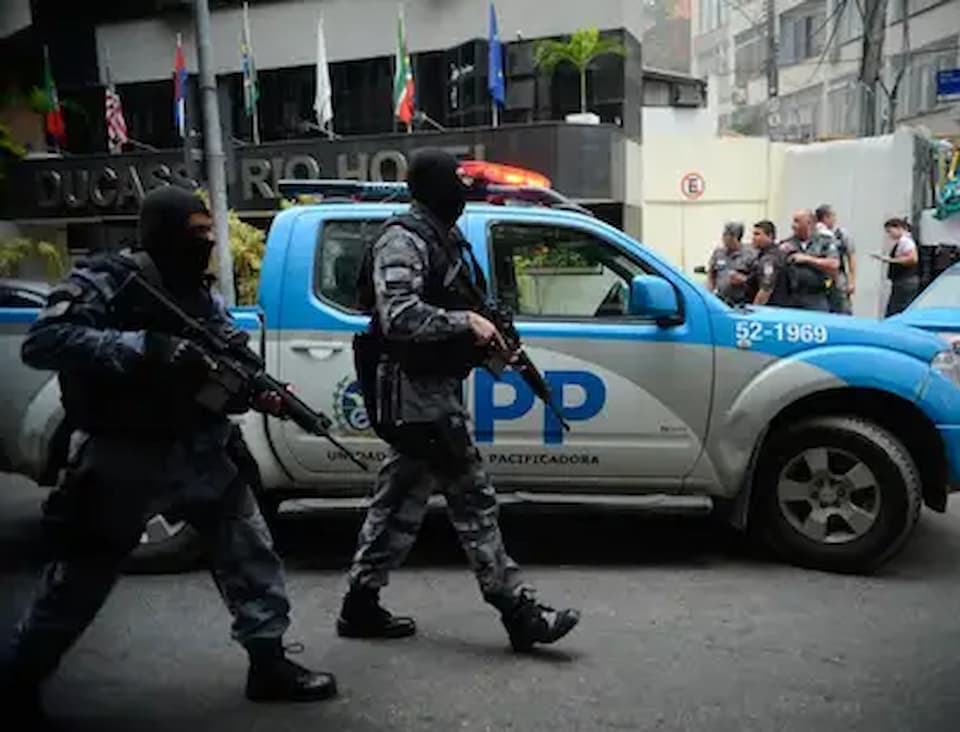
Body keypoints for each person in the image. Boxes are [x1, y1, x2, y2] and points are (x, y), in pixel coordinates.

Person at [0, 186, 338, 723]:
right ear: (160, 233)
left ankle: (269, 662)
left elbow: (228, 351)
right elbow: (45, 341)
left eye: (209, 235)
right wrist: (145, 349)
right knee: (81, 578)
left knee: (249, 553)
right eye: (194, 234)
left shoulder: (200, 295)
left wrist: (258, 390)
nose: (204, 244)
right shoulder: (108, 278)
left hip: (201, 449)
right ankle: (20, 680)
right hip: (123, 455)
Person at [336, 148, 580, 652]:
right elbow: (399, 315)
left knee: (399, 497)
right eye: (454, 184)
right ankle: (518, 611)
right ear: (430, 188)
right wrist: (465, 323)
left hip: (432, 387)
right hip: (414, 393)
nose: (462, 195)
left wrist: (488, 334)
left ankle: (360, 604)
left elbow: (460, 300)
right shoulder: (402, 240)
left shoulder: (445, 238)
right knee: (472, 496)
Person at [781, 209, 840, 311]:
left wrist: (807, 259)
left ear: (809, 223)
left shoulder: (825, 241)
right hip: (791, 297)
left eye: (797, 221)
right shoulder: (787, 244)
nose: (793, 225)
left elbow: (834, 264)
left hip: (815, 296)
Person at [815, 204, 856, 314]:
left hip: (838, 277)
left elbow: (851, 256)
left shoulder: (841, 234)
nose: (834, 219)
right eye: (833, 216)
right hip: (819, 277)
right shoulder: (815, 234)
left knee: (842, 308)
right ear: (826, 217)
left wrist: (852, 281)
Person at [876, 217, 920, 316]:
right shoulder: (902, 242)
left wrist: (890, 260)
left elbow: (913, 258)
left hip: (905, 281)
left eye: (890, 231)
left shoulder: (906, 241)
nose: (889, 235)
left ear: (898, 228)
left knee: (897, 309)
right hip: (901, 281)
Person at [706, 221, 757, 306]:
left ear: (736, 237)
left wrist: (743, 280)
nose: (724, 238)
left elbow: (757, 280)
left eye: (728, 236)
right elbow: (711, 274)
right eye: (724, 235)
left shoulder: (750, 254)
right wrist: (709, 294)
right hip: (721, 301)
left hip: (741, 302)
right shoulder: (718, 253)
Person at [747, 220, 792, 307]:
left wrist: (754, 311)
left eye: (757, 234)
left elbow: (766, 288)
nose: (753, 238)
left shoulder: (770, 258)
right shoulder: (763, 255)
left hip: (771, 308)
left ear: (770, 236)